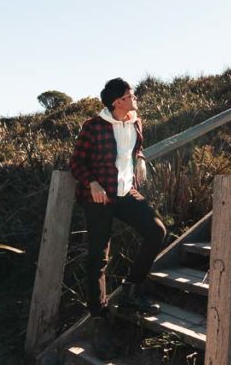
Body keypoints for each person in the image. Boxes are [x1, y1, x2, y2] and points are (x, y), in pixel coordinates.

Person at [70, 78, 166, 320]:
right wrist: (92, 184)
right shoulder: (93, 126)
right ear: (117, 102)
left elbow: (134, 149)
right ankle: (98, 312)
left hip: (126, 193)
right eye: (131, 96)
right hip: (99, 197)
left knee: (157, 231)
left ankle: (131, 292)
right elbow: (76, 163)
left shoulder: (135, 123)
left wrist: (141, 158)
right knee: (98, 256)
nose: (135, 99)